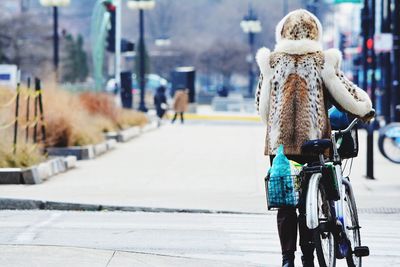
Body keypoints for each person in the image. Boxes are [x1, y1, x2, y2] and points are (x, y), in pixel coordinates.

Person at [255, 9, 374, 267]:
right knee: (314, 197)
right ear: (316, 32)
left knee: (287, 202)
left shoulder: (272, 63)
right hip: (314, 144)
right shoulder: (322, 61)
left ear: (282, 32)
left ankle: (288, 259)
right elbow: (347, 94)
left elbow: (261, 109)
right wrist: (365, 110)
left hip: (282, 148)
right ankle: (309, 256)